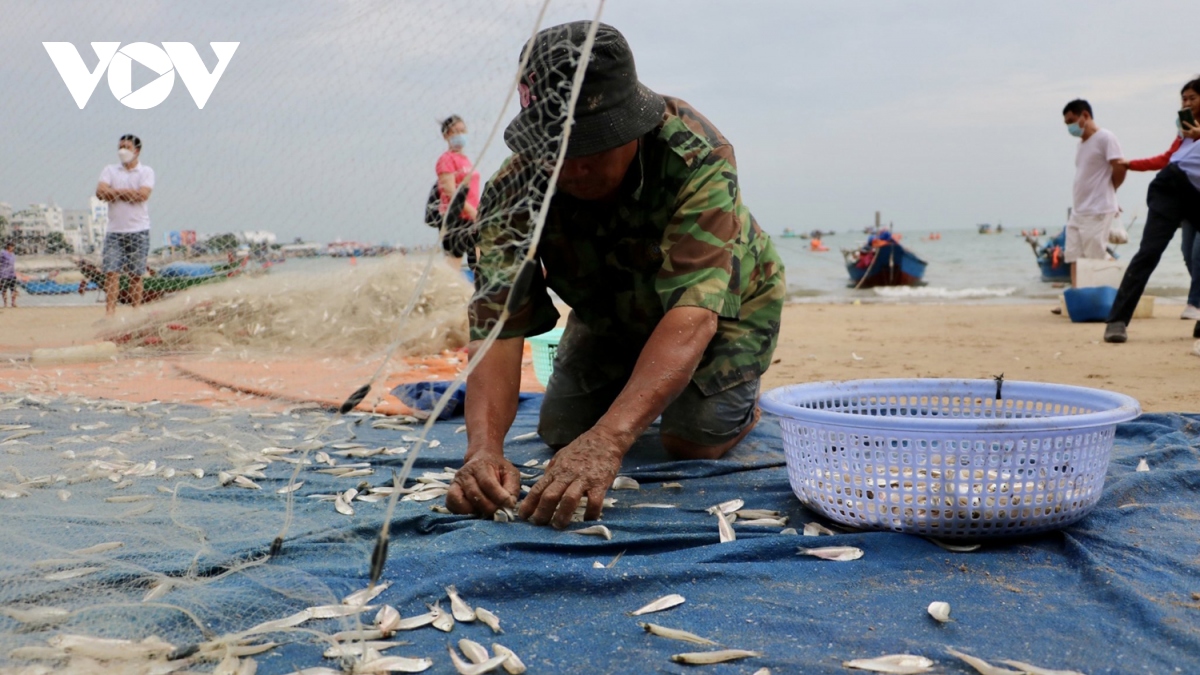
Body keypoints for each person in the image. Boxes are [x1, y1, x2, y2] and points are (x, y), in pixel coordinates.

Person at [447, 22, 786, 529]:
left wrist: (610, 440)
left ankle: (738, 403)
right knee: (561, 432)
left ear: (632, 125)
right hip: (610, 310)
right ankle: (634, 386)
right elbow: (499, 327)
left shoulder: (694, 155)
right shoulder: (514, 191)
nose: (574, 169)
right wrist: (482, 450)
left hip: (721, 306)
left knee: (691, 440)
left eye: (593, 148)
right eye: (558, 151)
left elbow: (693, 314)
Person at [1105, 79, 1200, 343]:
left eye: (1192, 98)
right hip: (1170, 187)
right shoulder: (1184, 130)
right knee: (1148, 253)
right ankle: (1116, 321)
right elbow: (1166, 159)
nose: (1187, 103)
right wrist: (1130, 164)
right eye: (1184, 99)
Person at [1061, 99, 1127, 288]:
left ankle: (1120, 291)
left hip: (1098, 208)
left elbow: (1119, 167)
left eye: (1071, 121)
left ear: (1085, 116)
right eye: (1067, 124)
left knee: (1096, 256)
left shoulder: (1105, 137)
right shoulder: (1081, 145)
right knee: (1073, 255)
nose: (1070, 127)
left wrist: (1111, 191)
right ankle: (1076, 296)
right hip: (1079, 209)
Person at [95, 134, 155, 315]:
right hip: (115, 231)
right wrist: (128, 193)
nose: (122, 151)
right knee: (111, 273)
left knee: (136, 275)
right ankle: (110, 313)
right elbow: (100, 193)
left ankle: (136, 312)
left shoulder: (146, 172)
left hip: (138, 230)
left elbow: (142, 196)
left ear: (136, 151)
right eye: (120, 147)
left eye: (127, 147)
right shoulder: (110, 170)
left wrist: (114, 192)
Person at [431, 115, 481, 268]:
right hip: (455, 218)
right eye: (455, 132)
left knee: (479, 262)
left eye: (462, 130)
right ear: (446, 135)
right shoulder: (446, 159)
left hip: (472, 218)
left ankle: (478, 290)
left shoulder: (465, 159)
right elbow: (450, 191)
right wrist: (472, 211)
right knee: (453, 264)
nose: (459, 135)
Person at [0, 241, 17, 308]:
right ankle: (5, 304)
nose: (13, 247)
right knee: (4, 290)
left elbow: (12, 264)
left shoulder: (13, 254)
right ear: (9, 246)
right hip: (4, 274)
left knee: (14, 289)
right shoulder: (2, 253)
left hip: (12, 274)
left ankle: (13, 303)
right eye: (12, 246)